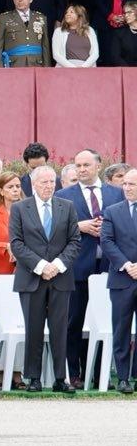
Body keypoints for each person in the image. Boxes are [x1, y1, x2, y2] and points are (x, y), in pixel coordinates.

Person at [10, 164, 83, 390]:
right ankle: (34, 377)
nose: (49, 186)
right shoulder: (20, 208)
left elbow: (74, 241)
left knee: (60, 329)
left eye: (52, 182)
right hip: (31, 278)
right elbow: (16, 243)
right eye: (44, 182)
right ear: (33, 184)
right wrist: (41, 266)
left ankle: (61, 378)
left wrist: (58, 265)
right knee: (34, 328)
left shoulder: (67, 206)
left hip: (60, 277)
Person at [55, 149, 111, 380]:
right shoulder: (64, 195)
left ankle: (100, 374)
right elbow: (55, 229)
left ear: (98, 165)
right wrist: (79, 226)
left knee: (106, 321)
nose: (82, 169)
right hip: (77, 266)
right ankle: (75, 373)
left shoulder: (116, 193)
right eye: (78, 166)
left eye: (86, 165)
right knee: (74, 321)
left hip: (109, 266)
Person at [99, 165, 137, 391]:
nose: (127, 188)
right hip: (122, 279)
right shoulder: (112, 211)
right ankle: (122, 378)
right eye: (125, 184)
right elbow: (107, 242)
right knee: (121, 328)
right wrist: (127, 265)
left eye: (132, 184)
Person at [0, 0, 48, 67]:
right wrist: (0, 71)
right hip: (14, 65)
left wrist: (46, 69)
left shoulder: (41, 18)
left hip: (36, 65)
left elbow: (45, 47)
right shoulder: (3, 18)